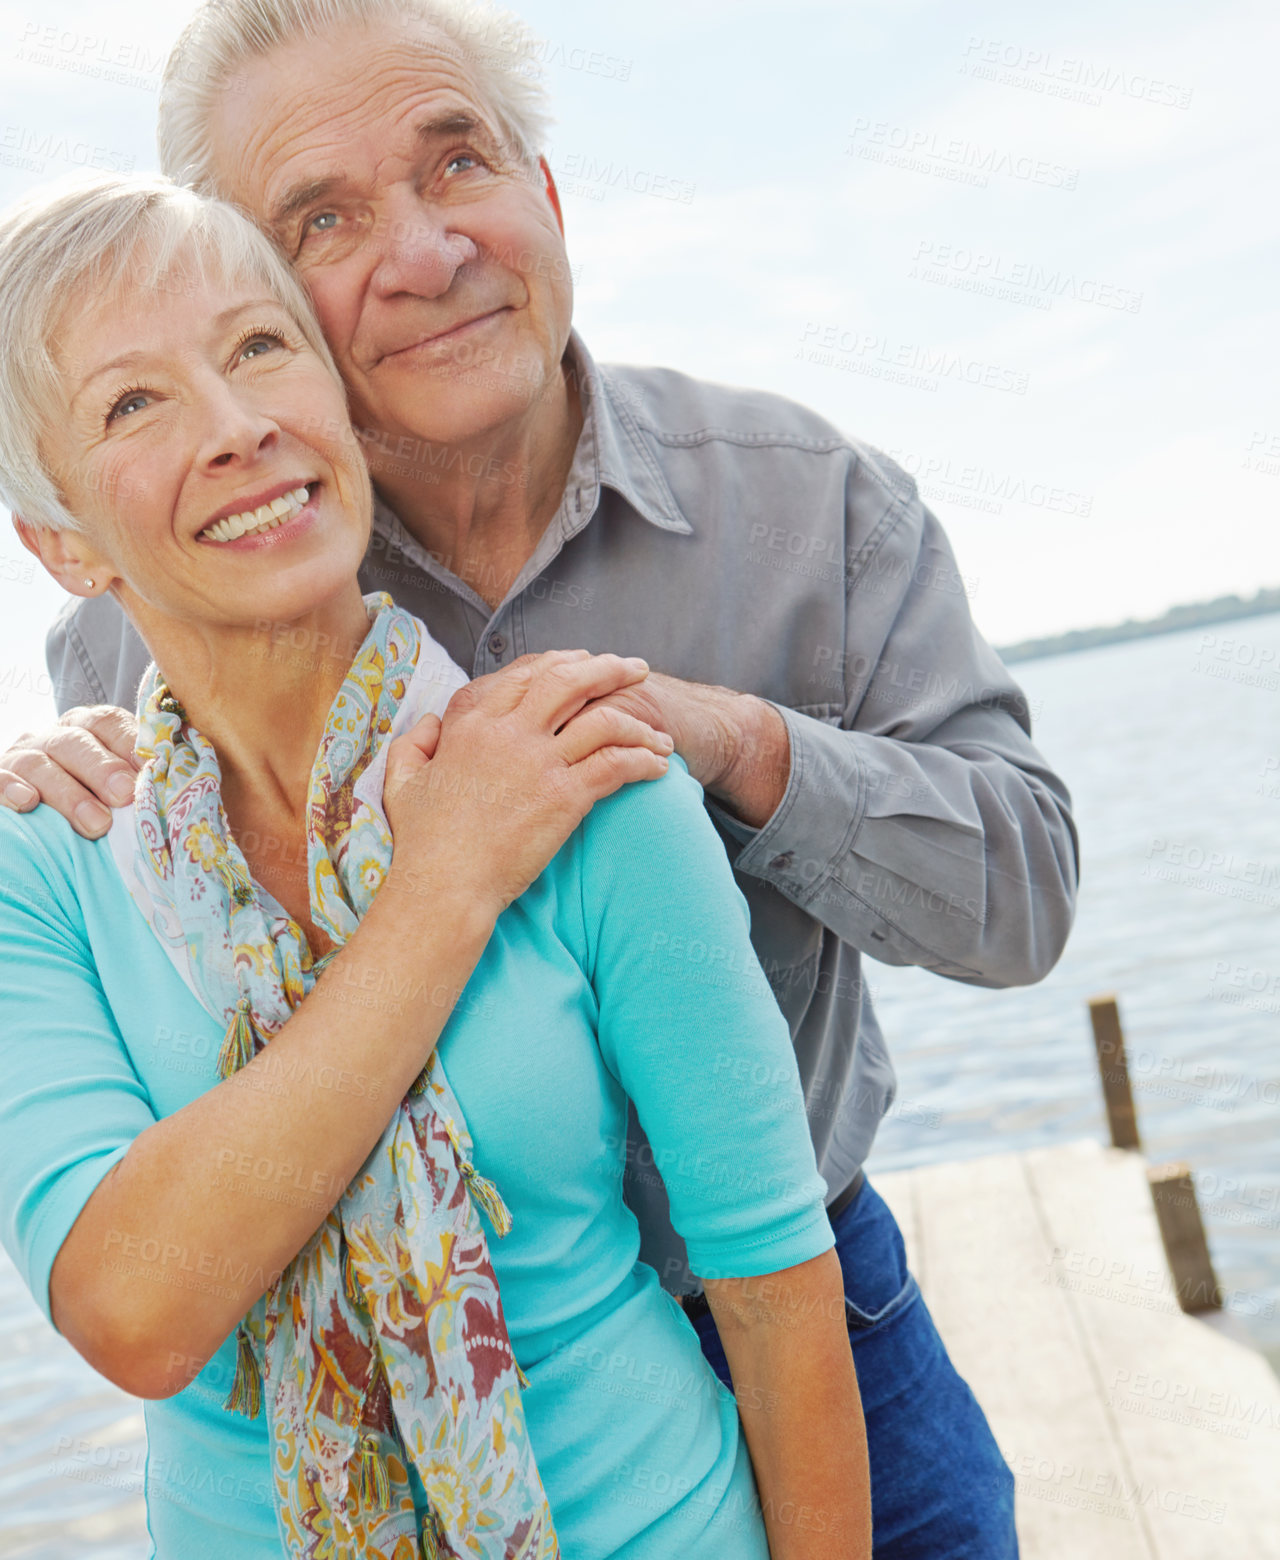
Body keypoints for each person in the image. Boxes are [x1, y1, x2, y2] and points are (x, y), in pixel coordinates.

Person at [1, 2, 1081, 1551]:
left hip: (792, 1324)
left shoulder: (807, 505)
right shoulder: (177, 599)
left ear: (549, 194)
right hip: (338, 1415)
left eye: (461, 164)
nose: (427, 251)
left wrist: (742, 750)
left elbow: (1025, 896)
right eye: (324, 215)